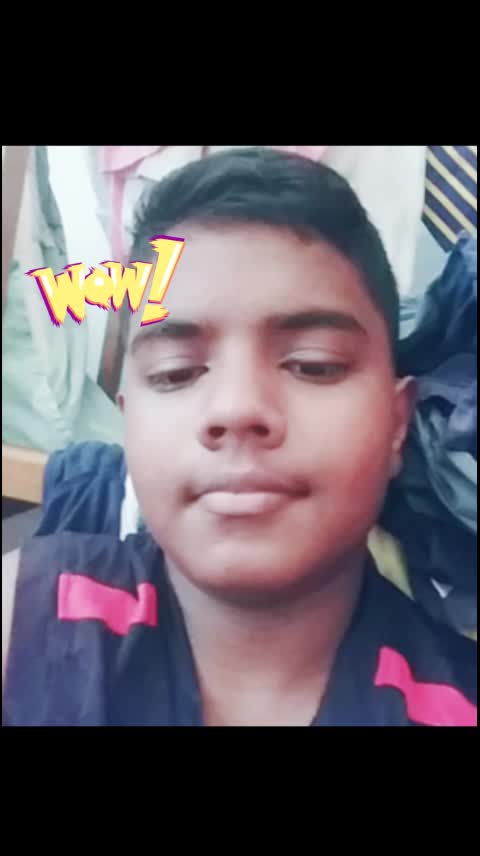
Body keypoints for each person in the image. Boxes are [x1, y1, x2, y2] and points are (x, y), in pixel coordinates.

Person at [2, 147, 477, 726]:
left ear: (397, 422)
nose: (236, 407)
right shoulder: (27, 623)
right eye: (176, 373)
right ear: (130, 421)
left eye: (314, 365)